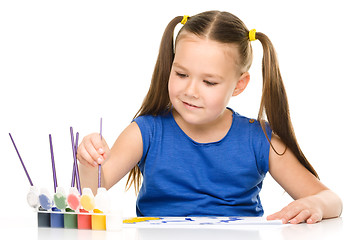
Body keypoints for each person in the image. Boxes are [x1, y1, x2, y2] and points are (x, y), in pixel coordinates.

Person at [77, 11, 342, 224]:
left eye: (209, 82)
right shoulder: (146, 132)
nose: (190, 91)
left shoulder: (258, 138)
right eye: (181, 74)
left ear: (239, 85)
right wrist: (89, 162)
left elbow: (331, 200)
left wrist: (314, 203)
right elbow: (91, 190)